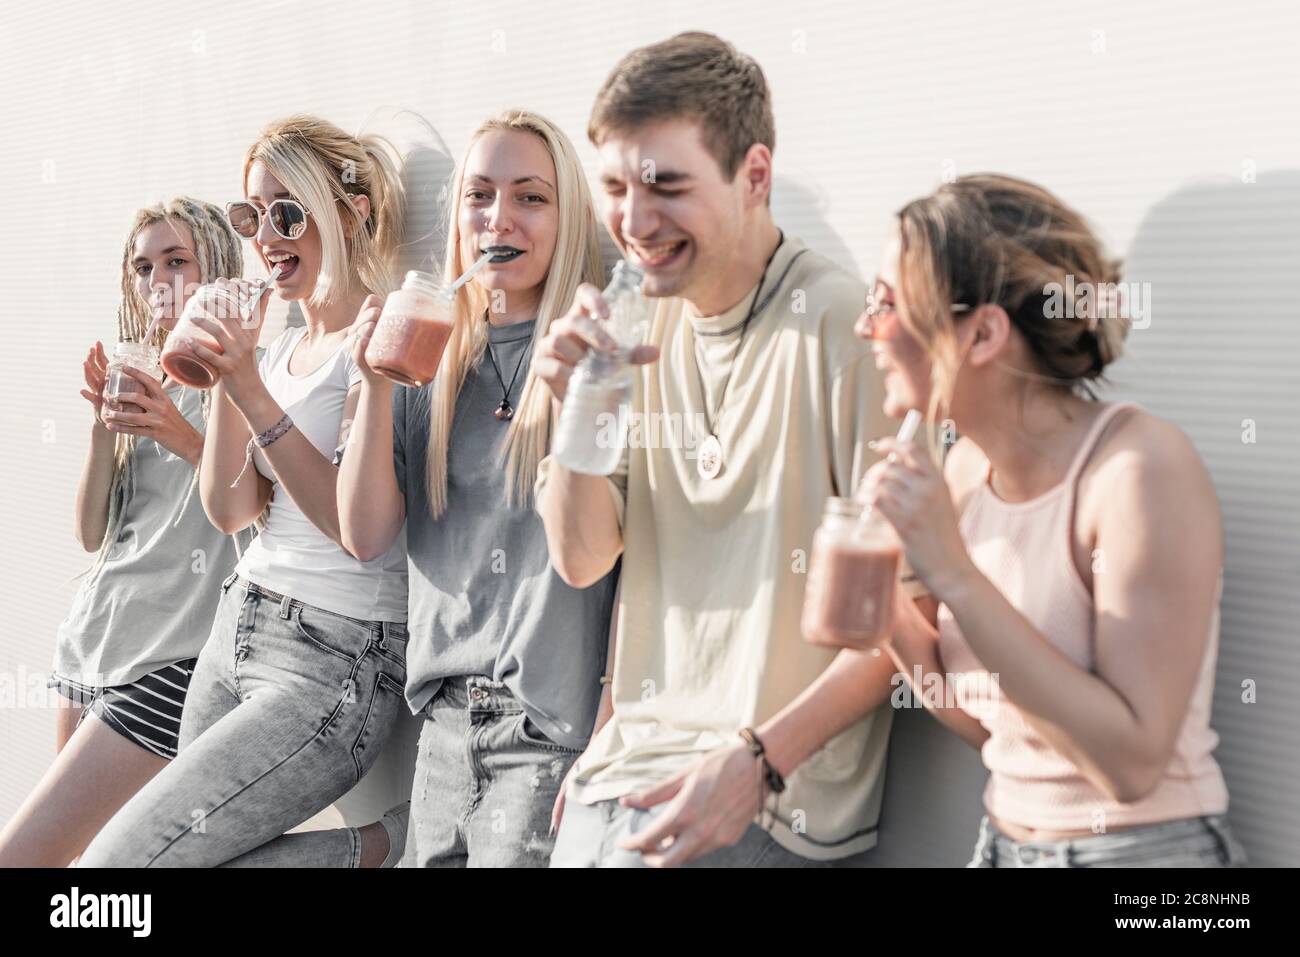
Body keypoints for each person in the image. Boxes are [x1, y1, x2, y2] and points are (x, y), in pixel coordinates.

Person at [536, 33, 911, 867]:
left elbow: (907, 617)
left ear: (754, 176)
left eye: (666, 185)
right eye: (615, 189)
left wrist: (758, 763)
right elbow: (584, 557)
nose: (633, 223)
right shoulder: (636, 320)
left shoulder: (841, 326)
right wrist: (574, 417)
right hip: (626, 767)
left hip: (775, 793)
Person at [860, 173, 1246, 867]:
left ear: (982, 332)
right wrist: (883, 600)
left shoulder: (1139, 471)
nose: (867, 326)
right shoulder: (964, 471)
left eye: (886, 302)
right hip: (1001, 844)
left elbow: (1129, 765)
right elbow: (994, 726)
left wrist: (951, 570)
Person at [80, 116, 411, 868]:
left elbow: (357, 528)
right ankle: (385, 847)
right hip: (238, 625)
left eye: (287, 211)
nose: (266, 234)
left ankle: (386, 848)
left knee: (115, 872)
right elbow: (231, 509)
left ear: (351, 212)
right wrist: (233, 369)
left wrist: (252, 388)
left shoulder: (378, 335)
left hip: (333, 657)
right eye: (250, 214)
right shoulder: (285, 345)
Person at [341, 110, 618, 867]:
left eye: (531, 197)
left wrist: (611, 723)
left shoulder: (589, 351)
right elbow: (365, 534)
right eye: (480, 195)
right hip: (440, 730)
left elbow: (637, 562)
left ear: (568, 217)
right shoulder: (426, 355)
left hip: (546, 732)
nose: (501, 217)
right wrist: (371, 386)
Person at [0, 199, 246, 866]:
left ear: (216, 267)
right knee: (90, 868)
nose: (157, 280)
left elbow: (256, 510)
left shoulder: (240, 378)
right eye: (143, 265)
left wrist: (178, 430)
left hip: (169, 661)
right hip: (91, 646)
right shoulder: (143, 375)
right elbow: (88, 532)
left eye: (176, 260)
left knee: (22, 856)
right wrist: (99, 433)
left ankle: (370, 844)